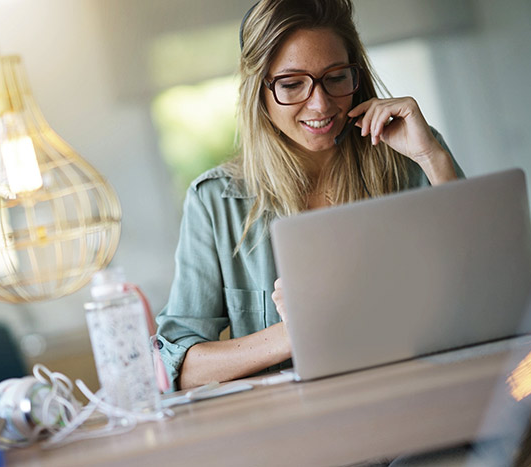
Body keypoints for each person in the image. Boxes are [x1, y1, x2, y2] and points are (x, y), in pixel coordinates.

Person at [154, 0, 465, 391]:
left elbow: (485, 291)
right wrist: (296, 331)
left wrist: (431, 157)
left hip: (421, 400)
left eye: (336, 77)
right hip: (301, 436)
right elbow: (177, 369)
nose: (320, 104)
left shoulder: (411, 162)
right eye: (291, 84)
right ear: (259, 90)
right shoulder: (215, 201)